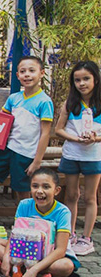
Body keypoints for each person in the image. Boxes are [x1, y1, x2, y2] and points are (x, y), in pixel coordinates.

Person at [0, 56, 53, 221]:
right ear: (17, 75)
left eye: (32, 71)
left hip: (26, 154)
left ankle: (27, 223)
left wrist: (37, 161)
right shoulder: (13, 98)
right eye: (22, 71)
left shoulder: (44, 102)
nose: (27, 75)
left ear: (42, 73)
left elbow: (45, 133)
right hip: (6, 149)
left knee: (23, 192)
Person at [0, 168, 80, 277]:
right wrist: (5, 258)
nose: (39, 191)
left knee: (66, 266)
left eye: (46, 187)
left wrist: (35, 269)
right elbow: (14, 237)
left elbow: (61, 250)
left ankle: (23, 270)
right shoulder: (24, 205)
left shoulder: (63, 212)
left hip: (49, 254)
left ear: (56, 190)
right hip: (22, 252)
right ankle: (34, 274)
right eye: (35, 186)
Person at [55, 61, 101, 255]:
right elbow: (58, 129)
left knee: (90, 197)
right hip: (72, 154)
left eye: (86, 79)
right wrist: (75, 138)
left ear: (96, 80)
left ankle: (87, 238)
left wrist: (95, 138)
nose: (81, 83)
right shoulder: (70, 103)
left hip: (93, 156)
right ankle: (70, 235)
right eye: (77, 80)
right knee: (72, 195)